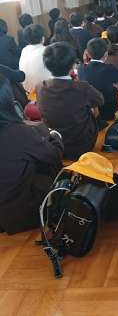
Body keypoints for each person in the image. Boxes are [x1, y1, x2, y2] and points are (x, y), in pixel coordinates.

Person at [0, 75, 63, 234]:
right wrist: (55, 137)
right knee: (49, 165)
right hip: (15, 214)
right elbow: (54, 155)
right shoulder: (18, 133)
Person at [36, 42, 104, 160]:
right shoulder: (82, 87)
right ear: (73, 65)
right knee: (93, 106)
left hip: (54, 143)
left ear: (46, 65)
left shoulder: (40, 87)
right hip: (82, 146)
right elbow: (100, 100)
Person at [78, 38, 118, 120]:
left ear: (88, 54)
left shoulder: (81, 68)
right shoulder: (109, 68)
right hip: (108, 110)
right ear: (106, 54)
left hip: (89, 110)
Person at [19, 24, 51, 93]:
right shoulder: (47, 50)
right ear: (43, 38)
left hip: (28, 90)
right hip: (46, 91)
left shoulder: (24, 50)